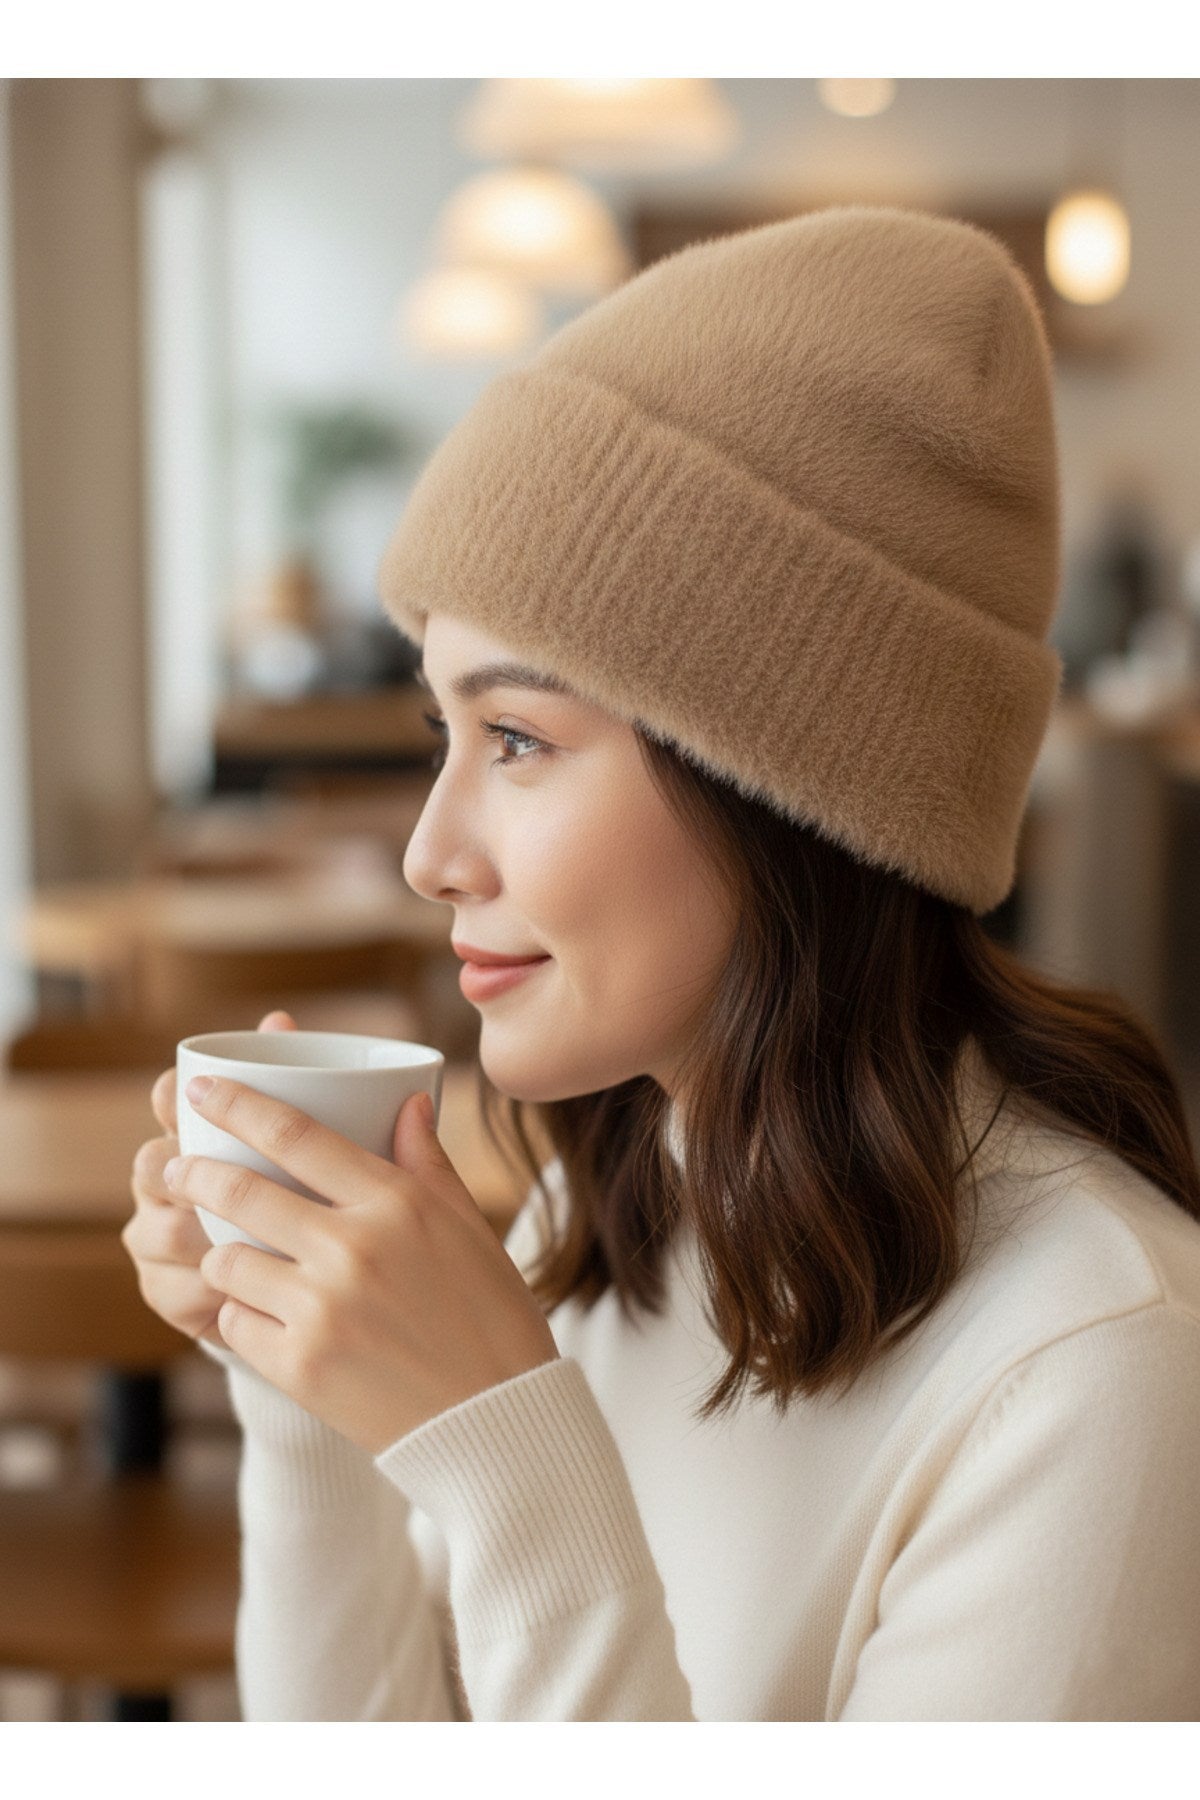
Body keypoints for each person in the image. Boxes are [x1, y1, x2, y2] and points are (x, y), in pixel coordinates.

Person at [122, 204, 1200, 1721]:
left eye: (516, 738)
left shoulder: (1098, 1369)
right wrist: (308, 1400)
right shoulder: (624, 1199)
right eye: (447, 732)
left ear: (791, 787)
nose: (432, 852)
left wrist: (513, 1461)